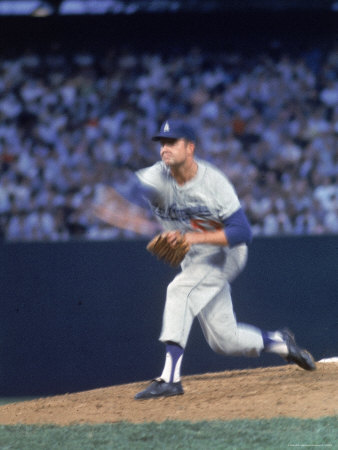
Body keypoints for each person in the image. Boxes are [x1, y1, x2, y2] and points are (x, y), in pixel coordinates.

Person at [126, 119, 317, 399]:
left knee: (179, 290)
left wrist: (191, 238)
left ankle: (169, 379)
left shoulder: (213, 182)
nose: (165, 148)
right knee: (224, 340)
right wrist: (132, 210)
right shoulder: (157, 175)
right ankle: (280, 343)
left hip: (224, 255)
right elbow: (134, 191)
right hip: (193, 261)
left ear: (190, 148)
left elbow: (242, 232)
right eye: (162, 143)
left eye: (172, 142)